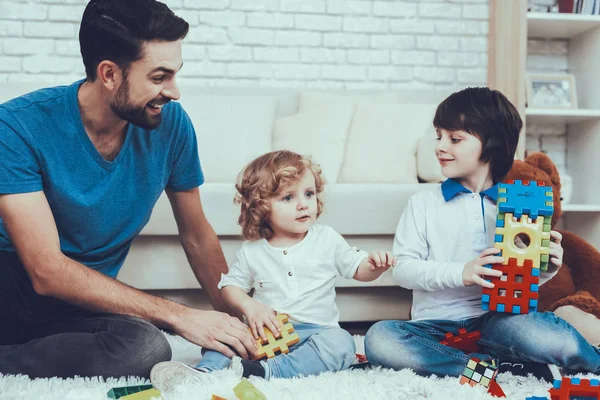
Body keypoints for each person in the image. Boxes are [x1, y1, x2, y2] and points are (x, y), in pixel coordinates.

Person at [0, 0, 255, 379]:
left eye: (175, 74)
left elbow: (198, 236)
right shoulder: (18, 126)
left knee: (147, 347)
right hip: (13, 289)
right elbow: (46, 271)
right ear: (109, 74)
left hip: (80, 300)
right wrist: (180, 315)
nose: (174, 91)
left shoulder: (172, 126)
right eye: (159, 77)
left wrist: (238, 321)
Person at [364, 87, 600, 378]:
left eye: (455, 138)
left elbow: (520, 279)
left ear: (492, 143)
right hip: (434, 326)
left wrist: (546, 268)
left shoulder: (514, 206)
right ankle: (481, 369)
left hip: (497, 323)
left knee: (544, 332)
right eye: (439, 136)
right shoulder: (422, 204)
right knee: (379, 338)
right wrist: (461, 271)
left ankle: (595, 362)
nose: (440, 146)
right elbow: (402, 270)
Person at [150, 150, 395, 390]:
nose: (303, 205)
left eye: (308, 194)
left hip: (318, 332)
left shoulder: (327, 239)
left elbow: (358, 269)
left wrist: (373, 267)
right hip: (267, 333)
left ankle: (266, 371)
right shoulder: (253, 251)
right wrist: (251, 307)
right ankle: (204, 373)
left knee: (342, 344)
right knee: (229, 336)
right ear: (261, 207)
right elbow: (230, 287)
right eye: (288, 198)